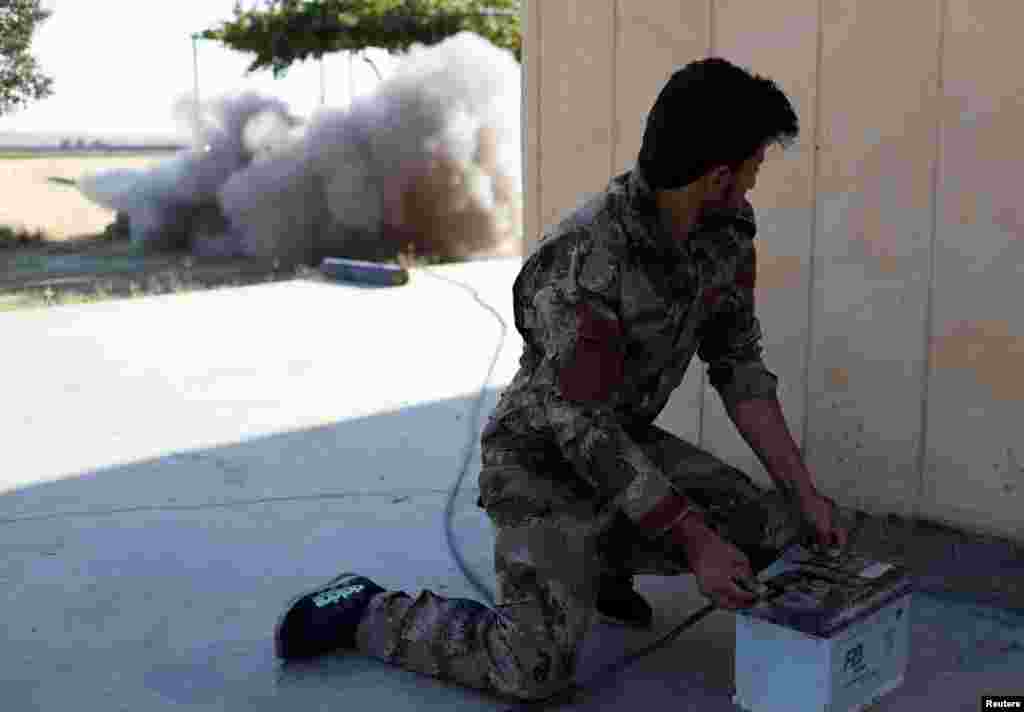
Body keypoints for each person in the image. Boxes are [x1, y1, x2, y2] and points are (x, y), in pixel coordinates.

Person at [272, 57, 848, 703]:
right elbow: (581, 429)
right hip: (541, 459)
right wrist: (695, 540)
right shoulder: (583, 261)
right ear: (718, 177)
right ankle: (368, 612)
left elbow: (737, 365)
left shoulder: (725, 235)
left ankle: (601, 560)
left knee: (772, 534)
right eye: (752, 169)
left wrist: (802, 492)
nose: (752, 187)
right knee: (534, 670)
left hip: (617, 443)